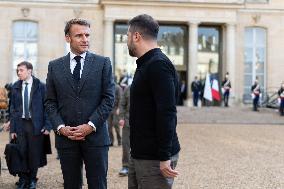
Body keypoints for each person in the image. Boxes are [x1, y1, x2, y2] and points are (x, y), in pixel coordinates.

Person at [45, 18, 115, 189]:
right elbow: (50, 102)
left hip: (96, 138)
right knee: (71, 185)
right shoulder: (54, 66)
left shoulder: (103, 63)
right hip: (66, 140)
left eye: (87, 35)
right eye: (79, 35)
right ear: (67, 38)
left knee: (98, 185)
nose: (85, 39)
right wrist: (61, 128)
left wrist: (90, 125)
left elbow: (109, 99)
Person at [127, 14, 180, 189]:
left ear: (136, 36)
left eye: (128, 35)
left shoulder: (158, 64)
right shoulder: (146, 64)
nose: (127, 40)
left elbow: (167, 112)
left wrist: (164, 156)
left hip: (154, 158)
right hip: (140, 154)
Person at [10, 61, 51, 189]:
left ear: (29, 71)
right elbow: (12, 109)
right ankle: (23, 179)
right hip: (20, 124)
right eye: (18, 70)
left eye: (21, 70)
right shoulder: (15, 86)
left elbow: (48, 107)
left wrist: (48, 125)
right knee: (21, 152)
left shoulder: (41, 86)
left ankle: (32, 179)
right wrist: (13, 129)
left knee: (34, 153)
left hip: (36, 125)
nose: (18, 73)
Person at [118, 84, 131, 176]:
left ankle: (139, 167)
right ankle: (126, 166)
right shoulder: (128, 88)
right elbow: (122, 104)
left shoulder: (149, 86)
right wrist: (121, 117)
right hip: (128, 121)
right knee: (126, 144)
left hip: (143, 124)